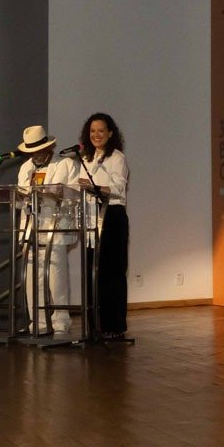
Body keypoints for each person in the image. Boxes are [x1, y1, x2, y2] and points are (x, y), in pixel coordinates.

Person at [16, 125, 80, 336]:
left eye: (40, 149)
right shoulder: (25, 168)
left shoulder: (66, 164)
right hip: (31, 227)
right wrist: (22, 198)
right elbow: (19, 200)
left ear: (49, 147)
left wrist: (53, 195)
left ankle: (61, 321)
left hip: (55, 226)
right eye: (32, 151)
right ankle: (38, 322)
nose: (36, 154)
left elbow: (74, 195)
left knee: (56, 276)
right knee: (32, 278)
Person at [78, 113, 129, 339]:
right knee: (93, 271)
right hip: (91, 216)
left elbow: (118, 188)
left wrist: (94, 187)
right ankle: (94, 325)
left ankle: (114, 326)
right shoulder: (85, 158)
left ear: (110, 133)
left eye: (100, 131)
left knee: (112, 272)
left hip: (112, 215)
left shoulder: (117, 158)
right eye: (92, 131)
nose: (96, 135)